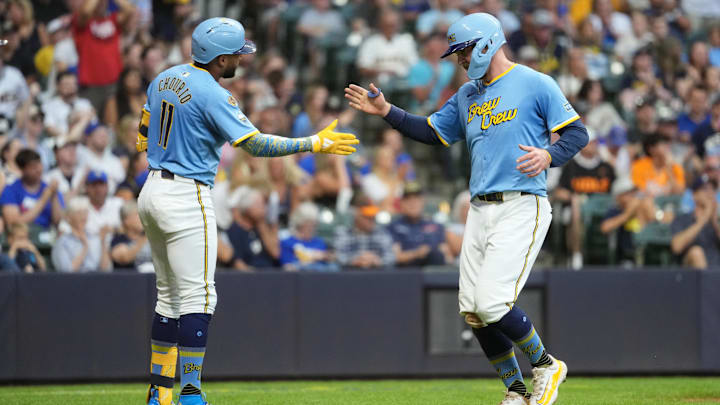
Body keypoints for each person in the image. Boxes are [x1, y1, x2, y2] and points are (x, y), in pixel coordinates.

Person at [345, 13, 589, 405]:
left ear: (488, 43)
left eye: (463, 50)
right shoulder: (467, 94)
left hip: (521, 202)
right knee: (474, 311)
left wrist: (549, 154)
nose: (459, 59)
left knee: (492, 302)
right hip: (480, 209)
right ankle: (515, 389)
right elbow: (431, 131)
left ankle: (546, 364)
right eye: (456, 52)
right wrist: (387, 112)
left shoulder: (534, 82)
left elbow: (577, 133)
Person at [137, 17, 358, 405]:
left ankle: (159, 393)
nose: (241, 58)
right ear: (220, 59)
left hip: (152, 188)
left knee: (167, 298)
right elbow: (255, 145)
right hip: (187, 192)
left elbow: (142, 134)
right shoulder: (214, 93)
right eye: (236, 54)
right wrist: (314, 142)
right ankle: (190, 393)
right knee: (198, 298)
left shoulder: (164, 77)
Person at [388, 181, 451, 267]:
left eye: (417, 198)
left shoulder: (436, 226)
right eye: (408, 199)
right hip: (406, 273)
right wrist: (417, 253)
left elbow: (447, 255)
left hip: (434, 272)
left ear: (423, 201)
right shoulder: (394, 227)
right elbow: (395, 257)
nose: (413, 202)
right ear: (401, 203)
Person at [0, 149, 63, 231]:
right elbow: (13, 224)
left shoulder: (50, 189)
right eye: (33, 167)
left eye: (39, 165)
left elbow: (58, 222)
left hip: (46, 237)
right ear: (22, 170)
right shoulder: (10, 190)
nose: (38, 170)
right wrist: (44, 199)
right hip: (21, 237)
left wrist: (54, 197)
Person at [333, 194, 395, 270]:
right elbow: (337, 256)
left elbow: (391, 257)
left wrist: (376, 260)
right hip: (349, 276)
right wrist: (356, 260)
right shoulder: (343, 232)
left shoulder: (382, 233)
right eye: (366, 217)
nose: (371, 220)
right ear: (356, 215)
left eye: (373, 216)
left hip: (377, 276)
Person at [51, 196, 112, 273]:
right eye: (79, 213)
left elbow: (106, 269)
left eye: (85, 212)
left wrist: (102, 242)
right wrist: (85, 247)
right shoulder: (62, 242)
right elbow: (67, 272)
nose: (83, 216)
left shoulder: (95, 238)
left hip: (97, 281)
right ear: (69, 217)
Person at [670, 176, 720, 270]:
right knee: (696, 252)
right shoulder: (683, 219)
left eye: (713, 189)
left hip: (716, 271)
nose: (710, 193)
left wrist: (714, 221)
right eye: (705, 189)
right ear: (694, 195)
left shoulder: (716, 220)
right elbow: (676, 246)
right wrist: (703, 220)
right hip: (692, 275)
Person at [279, 201, 337, 272]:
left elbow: (331, 261)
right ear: (299, 223)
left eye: (314, 224)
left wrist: (326, 256)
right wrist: (312, 257)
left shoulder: (319, 242)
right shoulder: (287, 243)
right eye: (308, 224)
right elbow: (288, 267)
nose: (312, 228)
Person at [111, 200, 152, 272]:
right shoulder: (118, 240)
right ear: (126, 220)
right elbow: (124, 258)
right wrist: (144, 237)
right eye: (137, 215)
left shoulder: (152, 238)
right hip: (129, 280)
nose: (142, 218)